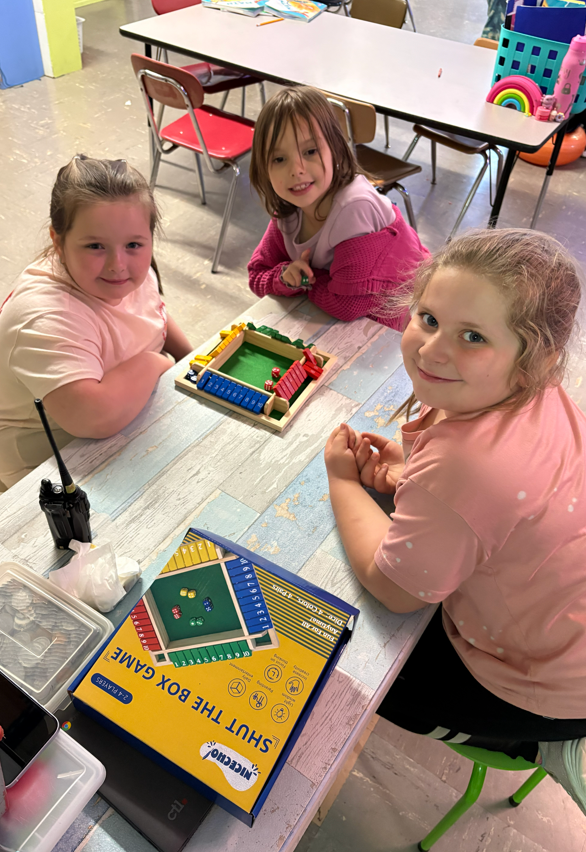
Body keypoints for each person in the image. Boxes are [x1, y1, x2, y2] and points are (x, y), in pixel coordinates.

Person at [324, 229, 586, 813]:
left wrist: (343, 481)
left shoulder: (468, 466)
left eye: (473, 336)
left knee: (349, 671)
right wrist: (409, 471)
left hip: (547, 688)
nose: (433, 350)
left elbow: (394, 590)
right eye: (429, 318)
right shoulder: (537, 393)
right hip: (567, 630)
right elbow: (487, 503)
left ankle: (531, 742)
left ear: (535, 358)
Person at [0, 155, 192, 487]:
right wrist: (158, 363)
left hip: (121, 420)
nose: (118, 265)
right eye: (95, 246)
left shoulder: (125, 275)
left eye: (134, 244)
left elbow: (154, 314)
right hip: (43, 462)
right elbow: (93, 417)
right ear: (58, 241)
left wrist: (192, 360)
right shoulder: (45, 317)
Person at [247, 86, 429, 331]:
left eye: (310, 151)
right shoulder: (289, 210)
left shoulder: (354, 206)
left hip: (404, 321)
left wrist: (306, 279)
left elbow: (346, 305)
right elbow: (257, 274)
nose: (296, 169)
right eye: (279, 159)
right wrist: (285, 277)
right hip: (351, 321)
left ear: (335, 150)